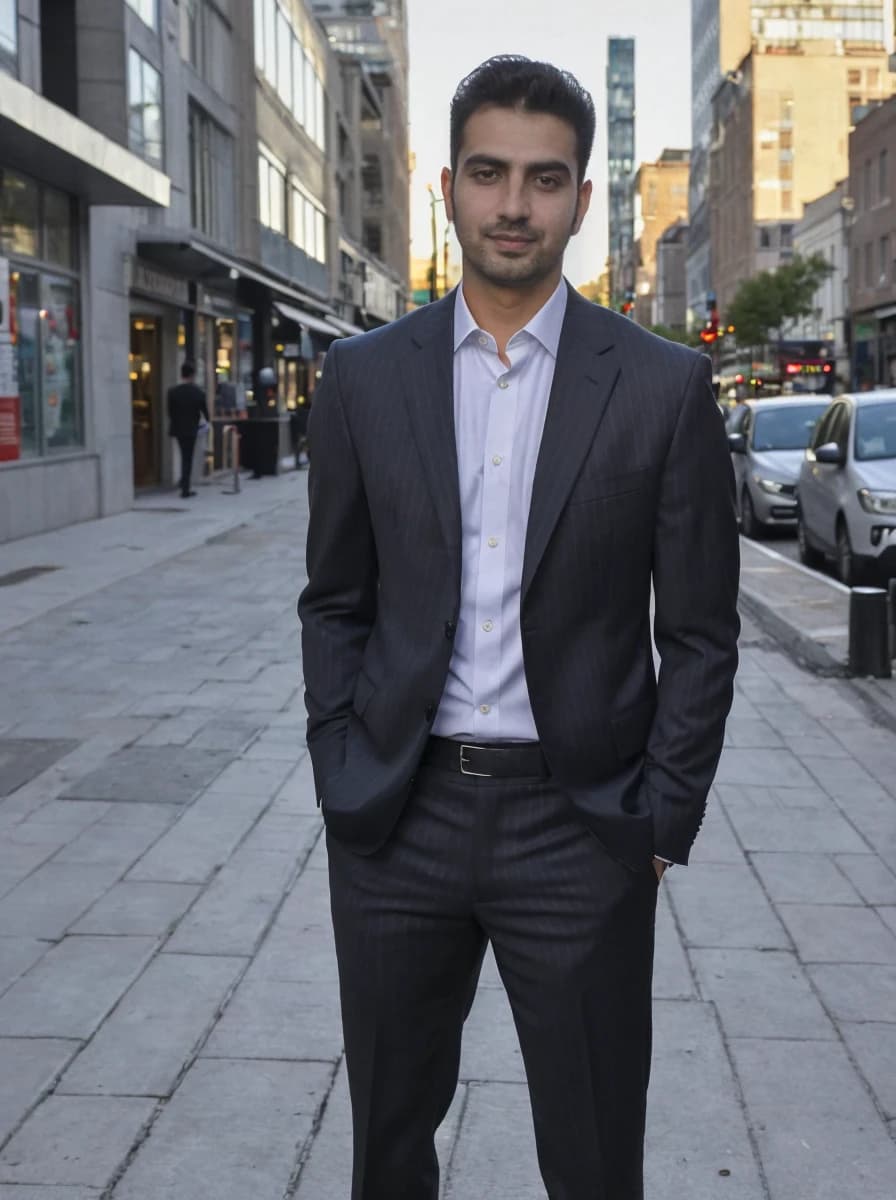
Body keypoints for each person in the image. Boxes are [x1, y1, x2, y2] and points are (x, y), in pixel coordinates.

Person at [298, 56, 740, 1200]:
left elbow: (698, 630)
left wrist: (660, 816)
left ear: (581, 202)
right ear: (447, 184)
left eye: (544, 180)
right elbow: (336, 599)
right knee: (386, 1147)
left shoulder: (658, 387)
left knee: (594, 1157)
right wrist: (340, 761)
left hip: (579, 828)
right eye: (488, 173)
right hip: (397, 818)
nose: (512, 204)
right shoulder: (359, 379)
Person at [166, 361, 209, 498]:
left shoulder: (172, 392)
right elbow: (205, 413)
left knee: (183, 455)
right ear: (192, 375)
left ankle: (183, 482)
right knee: (187, 457)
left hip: (178, 428)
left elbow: (170, 412)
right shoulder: (198, 392)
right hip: (191, 429)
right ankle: (185, 488)